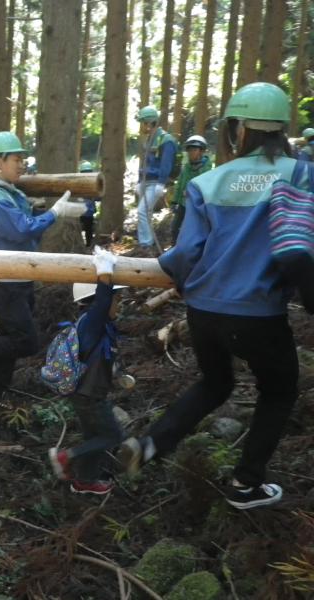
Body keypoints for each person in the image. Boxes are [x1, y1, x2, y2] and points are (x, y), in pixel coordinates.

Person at [120, 82, 302, 510]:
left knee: (215, 383)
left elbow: (186, 253)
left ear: (237, 129)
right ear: (280, 128)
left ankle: (149, 445)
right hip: (259, 313)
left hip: (204, 311)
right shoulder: (301, 174)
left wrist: (174, 274)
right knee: (279, 391)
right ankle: (246, 482)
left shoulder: (209, 182)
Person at [0, 131, 88, 403]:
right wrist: (54, 213)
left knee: (9, 337)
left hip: (19, 276)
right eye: (17, 158)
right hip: (7, 281)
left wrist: (44, 212)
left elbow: (24, 224)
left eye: (23, 159)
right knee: (26, 342)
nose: (23, 164)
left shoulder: (8, 192)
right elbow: (19, 229)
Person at [49, 247, 129, 495]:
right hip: (90, 396)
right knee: (113, 436)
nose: (120, 304)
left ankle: (84, 480)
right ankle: (66, 457)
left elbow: (100, 356)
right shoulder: (93, 321)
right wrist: (104, 272)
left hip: (85, 393)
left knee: (94, 438)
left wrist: (117, 374)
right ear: (99, 300)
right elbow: (103, 300)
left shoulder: (94, 325)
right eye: (117, 299)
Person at [135, 105, 178, 252]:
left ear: (149, 122)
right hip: (145, 181)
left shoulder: (166, 140)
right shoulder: (149, 140)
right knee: (144, 212)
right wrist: (139, 181)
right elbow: (145, 162)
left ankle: (146, 243)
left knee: (142, 211)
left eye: (143, 123)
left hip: (155, 182)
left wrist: (161, 183)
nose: (142, 126)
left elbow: (166, 163)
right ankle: (144, 243)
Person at [170, 135, 212, 245]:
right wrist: (175, 201)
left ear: (202, 151)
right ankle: (174, 249)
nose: (191, 153)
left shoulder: (207, 169)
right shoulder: (187, 168)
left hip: (197, 206)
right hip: (183, 204)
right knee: (175, 228)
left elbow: (207, 188)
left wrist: (192, 193)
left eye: (194, 150)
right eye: (189, 150)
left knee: (193, 230)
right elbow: (180, 185)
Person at [78, 161, 99, 247]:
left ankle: (88, 244)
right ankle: (88, 244)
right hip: (83, 211)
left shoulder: (93, 183)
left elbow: (99, 197)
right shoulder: (80, 182)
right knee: (88, 230)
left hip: (85, 211)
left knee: (88, 230)